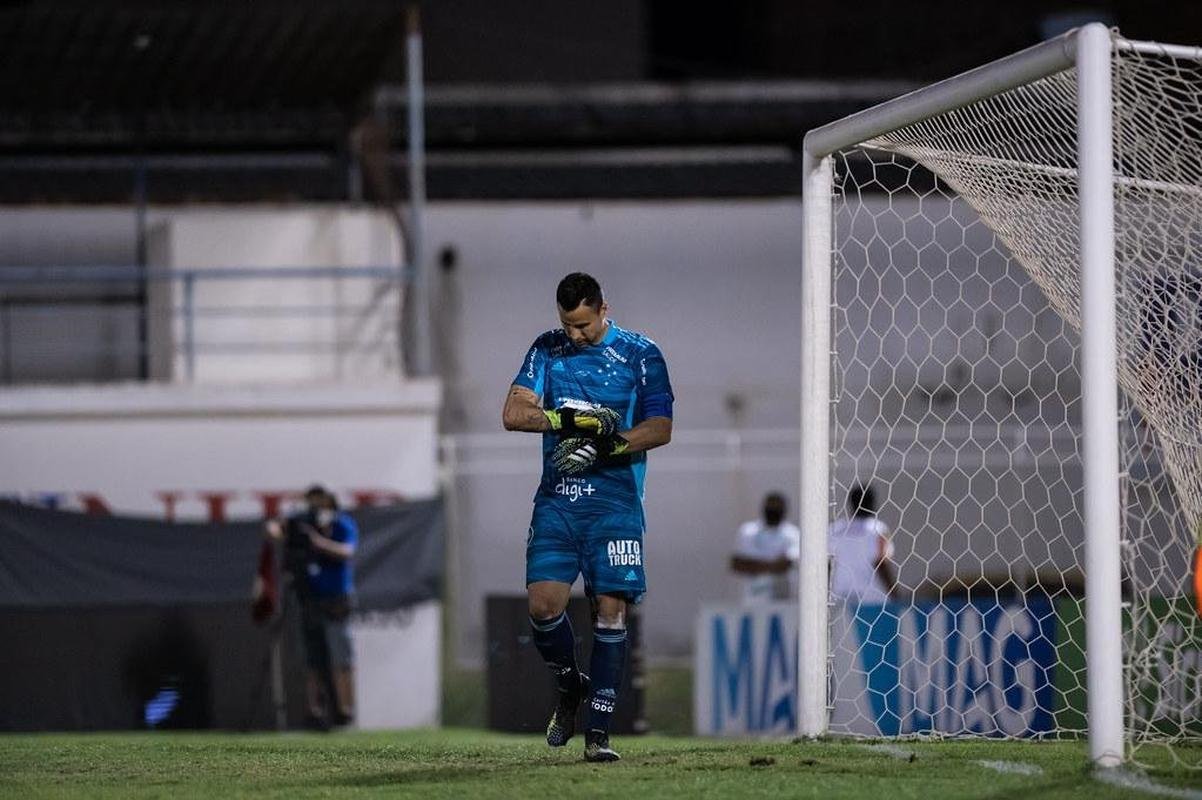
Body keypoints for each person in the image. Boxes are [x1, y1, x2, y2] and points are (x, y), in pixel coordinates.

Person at [502, 272, 673, 762]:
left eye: (581, 324)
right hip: (557, 500)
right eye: (566, 324)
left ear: (603, 309)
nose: (573, 334)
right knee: (542, 606)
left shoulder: (642, 354)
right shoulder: (547, 349)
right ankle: (569, 687)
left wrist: (610, 443)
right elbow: (514, 413)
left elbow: (660, 427)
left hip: (615, 505)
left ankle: (598, 735)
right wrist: (569, 421)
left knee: (611, 610)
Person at [264, 485, 358, 729]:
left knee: (340, 656)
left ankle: (345, 709)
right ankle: (314, 711)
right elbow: (275, 530)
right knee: (312, 659)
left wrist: (318, 543)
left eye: (321, 504)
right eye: (312, 504)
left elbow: (347, 552)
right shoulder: (304, 524)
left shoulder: (343, 525)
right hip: (310, 599)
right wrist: (282, 531)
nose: (317, 510)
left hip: (337, 601)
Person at [827, 483, 895, 605]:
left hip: (840, 597)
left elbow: (827, 564)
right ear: (873, 503)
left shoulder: (835, 529)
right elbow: (881, 562)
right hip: (872, 599)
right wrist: (894, 593)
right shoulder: (878, 529)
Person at [729, 492, 801, 603]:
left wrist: (755, 566)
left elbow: (788, 563)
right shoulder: (748, 531)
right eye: (770, 508)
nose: (773, 512)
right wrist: (774, 565)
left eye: (777, 509)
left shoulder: (792, 534)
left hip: (783, 597)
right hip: (752, 597)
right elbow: (737, 564)